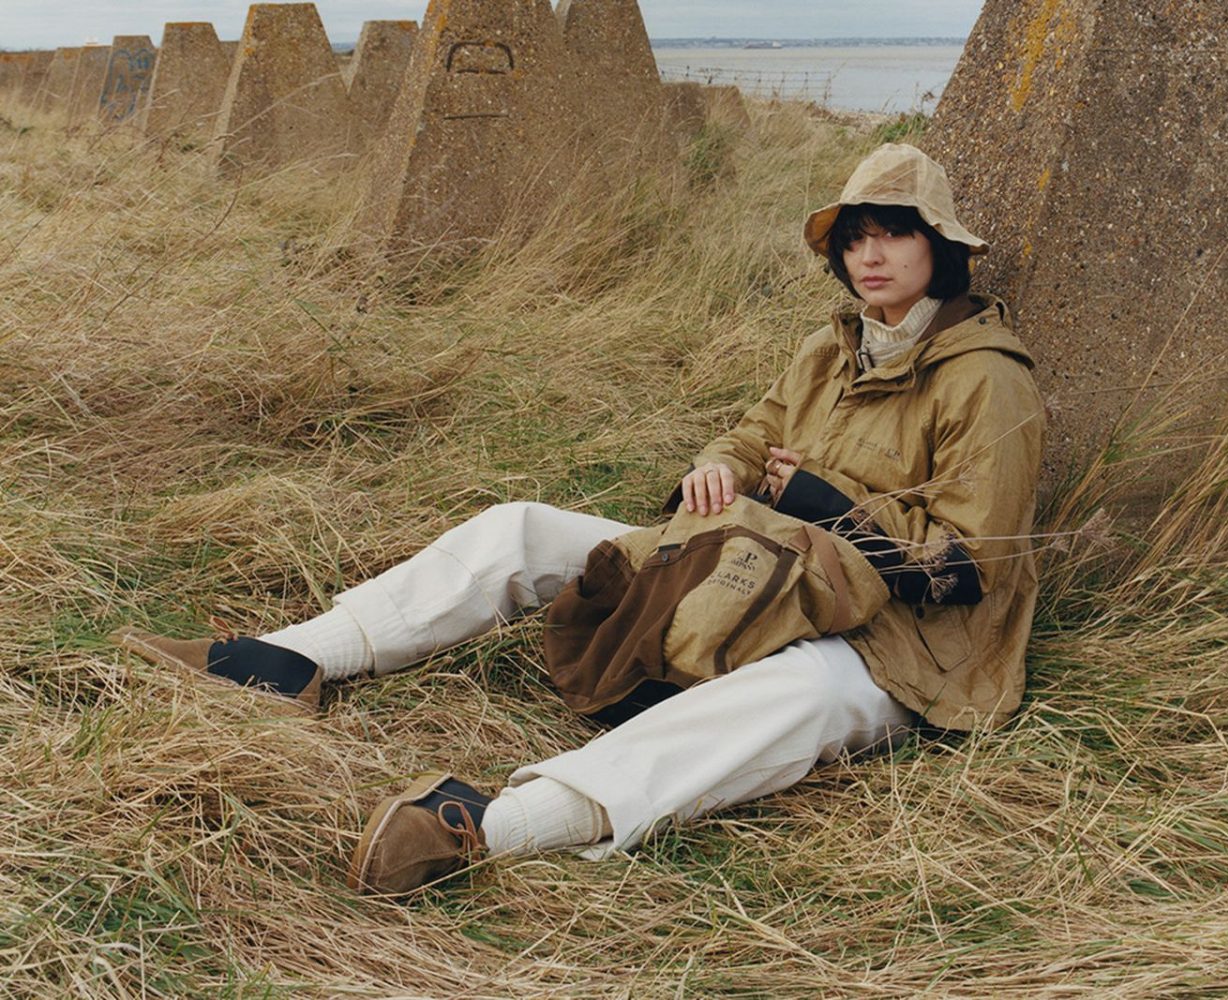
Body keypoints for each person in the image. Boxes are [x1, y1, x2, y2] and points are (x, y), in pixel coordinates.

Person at [114, 143, 1046, 897]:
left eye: (893, 234)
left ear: (939, 247)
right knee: (521, 528)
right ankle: (294, 659)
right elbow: (750, 435)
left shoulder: (987, 379)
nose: (870, 256)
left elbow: (972, 565)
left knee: (793, 698)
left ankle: (491, 826)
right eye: (854, 238)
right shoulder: (828, 349)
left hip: (906, 648)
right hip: (754, 576)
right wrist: (718, 469)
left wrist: (824, 506)